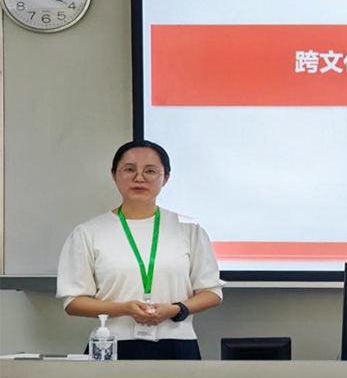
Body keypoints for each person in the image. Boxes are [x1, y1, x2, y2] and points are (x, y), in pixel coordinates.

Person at [56, 140, 223, 359]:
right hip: (112, 344)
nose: (139, 178)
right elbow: (73, 302)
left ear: (166, 178)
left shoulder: (189, 229)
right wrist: (125, 309)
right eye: (129, 169)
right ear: (114, 175)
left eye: (150, 171)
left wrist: (176, 309)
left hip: (177, 343)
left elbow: (212, 293)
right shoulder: (89, 232)